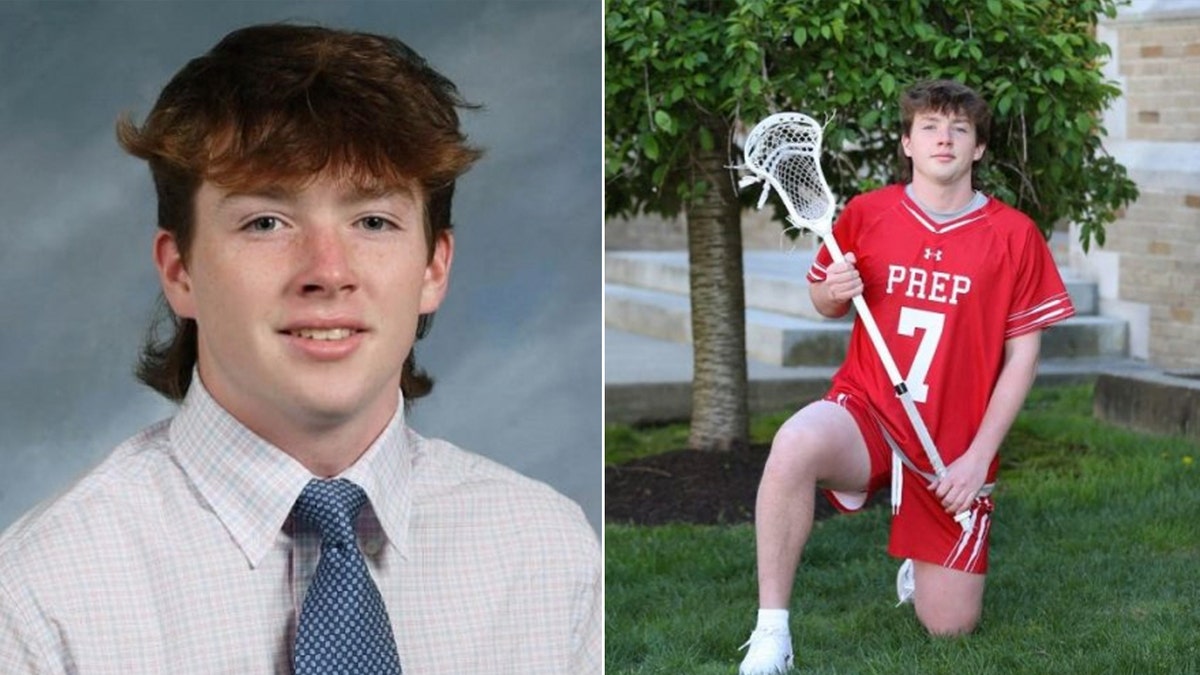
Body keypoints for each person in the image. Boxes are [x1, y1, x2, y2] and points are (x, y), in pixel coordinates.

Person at [0, 23, 600, 674]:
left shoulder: (549, 555)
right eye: (267, 222)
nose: (328, 270)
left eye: (373, 220)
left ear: (433, 267)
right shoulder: (41, 598)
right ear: (180, 272)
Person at [737, 79, 1075, 674]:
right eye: (929, 128)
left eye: (959, 129)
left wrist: (977, 459)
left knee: (951, 628)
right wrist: (830, 290)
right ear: (907, 144)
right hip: (867, 409)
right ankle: (771, 634)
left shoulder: (1015, 235)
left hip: (950, 445)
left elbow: (1023, 358)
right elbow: (825, 299)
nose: (944, 138)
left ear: (978, 151)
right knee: (794, 442)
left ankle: (922, 565)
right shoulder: (867, 213)